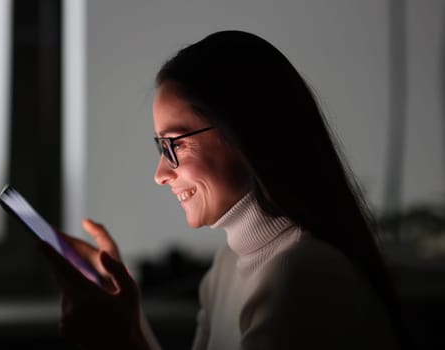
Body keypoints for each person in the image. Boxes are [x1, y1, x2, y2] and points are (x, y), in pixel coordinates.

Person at [38, 30, 404, 349]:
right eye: (160, 147)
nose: (161, 173)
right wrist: (128, 319)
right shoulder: (227, 268)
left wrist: (118, 342)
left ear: (244, 135)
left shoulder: (301, 277)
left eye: (175, 145)